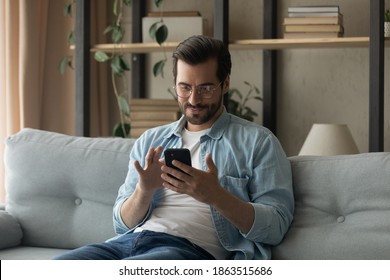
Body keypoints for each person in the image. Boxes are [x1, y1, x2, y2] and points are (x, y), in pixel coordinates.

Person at [54, 35, 294, 260]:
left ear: (225, 83)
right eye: (184, 87)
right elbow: (121, 224)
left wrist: (216, 196)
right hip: (127, 244)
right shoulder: (150, 140)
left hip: (187, 251)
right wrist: (144, 191)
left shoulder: (258, 142)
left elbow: (277, 226)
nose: (193, 99)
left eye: (205, 88)